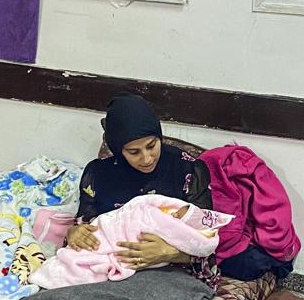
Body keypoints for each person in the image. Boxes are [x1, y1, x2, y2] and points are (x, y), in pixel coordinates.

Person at [67, 93, 220, 288]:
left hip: (170, 272)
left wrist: (170, 252)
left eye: (151, 146)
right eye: (134, 152)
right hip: (109, 269)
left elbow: (207, 241)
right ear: (117, 149)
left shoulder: (187, 170)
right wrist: (74, 233)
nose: (147, 159)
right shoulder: (98, 175)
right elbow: (87, 227)